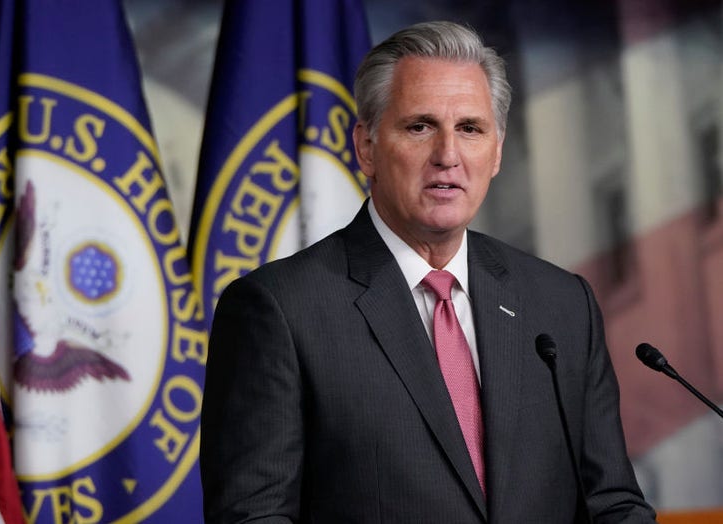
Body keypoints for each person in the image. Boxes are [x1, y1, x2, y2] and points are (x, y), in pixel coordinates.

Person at [200, 21, 656, 523]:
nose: (447, 156)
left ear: (497, 150)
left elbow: (612, 502)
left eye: (470, 128)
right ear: (367, 147)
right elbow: (253, 516)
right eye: (419, 126)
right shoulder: (280, 310)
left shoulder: (562, 304)